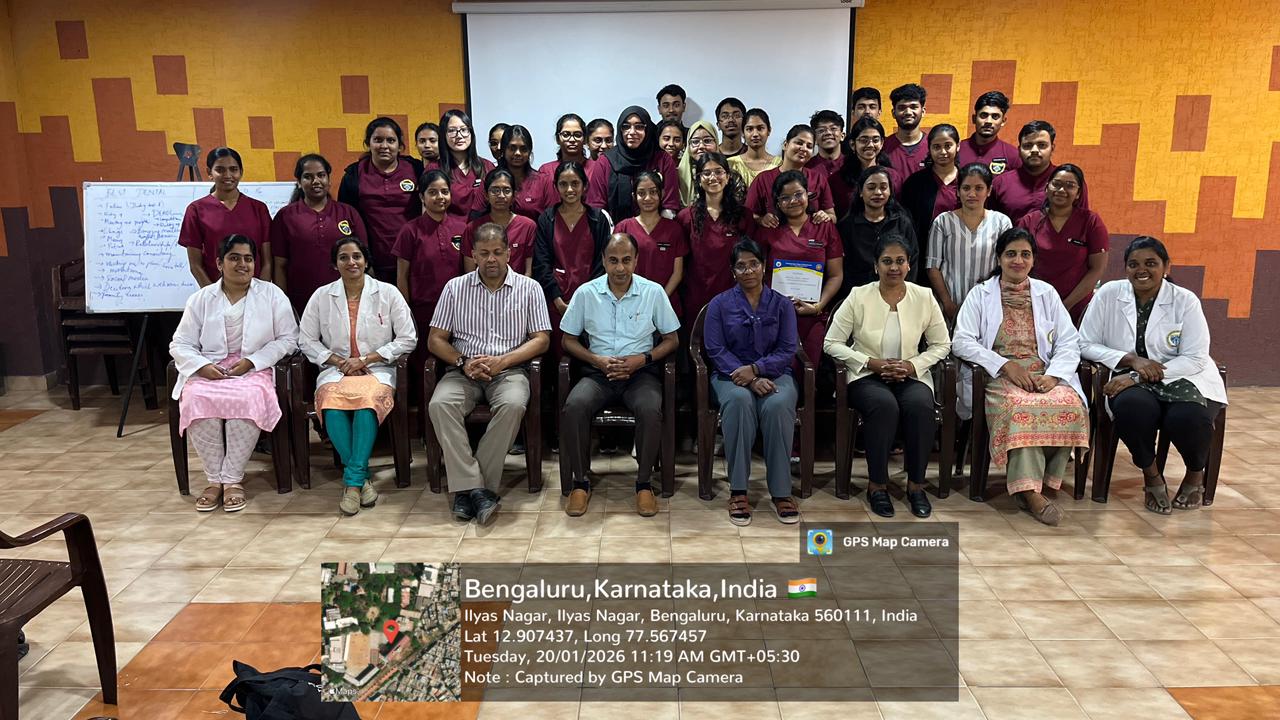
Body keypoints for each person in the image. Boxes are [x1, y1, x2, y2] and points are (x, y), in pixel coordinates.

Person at [1079, 236, 1228, 514]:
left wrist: (1138, 377)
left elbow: (1195, 357)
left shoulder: (1184, 301)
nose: (1141, 270)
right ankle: (1151, 476)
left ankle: (1195, 474)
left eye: (1151, 263)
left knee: (1190, 418)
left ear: (1166, 267)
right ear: (1125, 268)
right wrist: (1131, 361)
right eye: (1133, 264)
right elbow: (1084, 343)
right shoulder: (1110, 294)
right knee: (1132, 409)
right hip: (1128, 373)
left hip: (1183, 377)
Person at [951, 228, 1089, 526]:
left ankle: (1045, 482)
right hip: (999, 375)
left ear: (1033, 260)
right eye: (1011, 254)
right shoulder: (981, 294)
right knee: (1022, 409)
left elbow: (1068, 341)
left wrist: (1053, 376)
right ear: (999, 258)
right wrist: (1004, 365)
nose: (1018, 260)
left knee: (1068, 403)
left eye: (1025, 254)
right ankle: (1029, 492)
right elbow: (962, 341)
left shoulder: (1046, 293)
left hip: (1042, 373)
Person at [428, 223, 552, 524]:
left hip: (509, 371)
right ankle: (477, 488)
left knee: (512, 405)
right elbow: (435, 339)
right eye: (484, 253)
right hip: (464, 371)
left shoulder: (529, 288)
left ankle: (469, 487)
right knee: (439, 404)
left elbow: (542, 339)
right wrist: (463, 362)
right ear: (473, 255)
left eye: (498, 252)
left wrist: (504, 361)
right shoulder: (455, 288)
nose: (491, 259)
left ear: (510, 252)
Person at [824, 234, 950, 518]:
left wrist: (912, 366)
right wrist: (871, 362)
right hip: (866, 375)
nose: (894, 267)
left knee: (920, 407)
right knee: (884, 406)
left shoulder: (924, 297)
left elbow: (942, 344)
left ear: (908, 266)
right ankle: (877, 486)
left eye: (900, 261)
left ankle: (916, 486)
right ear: (875, 265)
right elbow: (831, 342)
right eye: (887, 261)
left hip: (911, 375)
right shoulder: (859, 296)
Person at [170, 234, 298, 512]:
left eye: (248, 258)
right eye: (234, 258)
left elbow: (289, 338)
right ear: (219, 263)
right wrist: (202, 367)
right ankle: (214, 480)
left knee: (249, 397)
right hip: (209, 368)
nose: (243, 264)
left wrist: (252, 362)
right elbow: (180, 343)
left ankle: (232, 480)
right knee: (196, 398)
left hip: (253, 369)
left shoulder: (272, 294)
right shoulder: (201, 298)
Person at [559, 233, 680, 516]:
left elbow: (672, 340)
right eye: (613, 261)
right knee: (574, 406)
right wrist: (596, 360)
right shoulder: (587, 293)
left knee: (651, 409)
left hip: (640, 374)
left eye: (626, 260)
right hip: (598, 374)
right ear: (603, 261)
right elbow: (568, 340)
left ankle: (643, 484)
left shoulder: (653, 292)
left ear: (636, 261)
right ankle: (580, 482)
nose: (620, 268)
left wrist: (643, 359)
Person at [299, 237, 417, 516]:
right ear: (334, 264)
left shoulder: (387, 293)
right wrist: (339, 361)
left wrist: (368, 359)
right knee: (331, 404)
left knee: (367, 403)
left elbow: (407, 338)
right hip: (336, 370)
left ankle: (352, 482)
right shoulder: (321, 296)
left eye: (356, 257)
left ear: (366, 261)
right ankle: (360, 479)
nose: (351, 262)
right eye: (343, 257)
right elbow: (305, 340)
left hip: (376, 370)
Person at [704, 238, 801, 526]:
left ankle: (782, 492)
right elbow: (715, 349)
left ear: (764, 266)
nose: (748, 271)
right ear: (733, 271)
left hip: (775, 375)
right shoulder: (719, 305)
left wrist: (757, 370)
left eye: (754, 264)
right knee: (739, 402)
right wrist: (746, 377)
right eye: (741, 266)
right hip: (729, 376)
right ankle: (738, 490)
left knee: (778, 405)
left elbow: (787, 349)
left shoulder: (782, 304)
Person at [755, 170, 844, 366]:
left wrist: (818, 306)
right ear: (777, 203)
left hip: (812, 315)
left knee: (809, 371)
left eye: (798, 194)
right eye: (785, 198)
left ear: (808, 195)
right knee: (777, 370)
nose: (793, 201)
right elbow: (756, 274)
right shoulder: (769, 229)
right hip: (774, 315)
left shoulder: (824, 226)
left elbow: (836, 275)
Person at [271, 154, 368, 315]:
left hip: (345, 298)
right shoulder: (285, 216)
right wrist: (284, 303)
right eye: (308, 177)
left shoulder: (348, 213)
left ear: (329, 180)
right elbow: (280, 265)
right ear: (299, 183)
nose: (316, 181)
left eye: (321, 175)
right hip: (301, 301)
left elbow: (364, 260)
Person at [1016, 163, 1108, 322]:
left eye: (1070, 185)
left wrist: (1066, 304)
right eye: (1056, 184)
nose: (1061, 190)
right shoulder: (1029, 222)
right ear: (1046, 188)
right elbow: (1018, 265)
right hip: (1034, 305)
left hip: (1077, 307)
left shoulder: (1091, 222)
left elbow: (1097, 268)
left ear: (1078, 193)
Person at [338, 117, 425, 280]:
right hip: (373, 265)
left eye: (391, 140)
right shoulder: (353, 175)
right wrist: (362, 262)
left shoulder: (416, 169)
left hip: (414, 260)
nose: (384, 146)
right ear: (368, 143)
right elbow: (346, 222)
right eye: (378, 140)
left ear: (400, 146)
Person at [926, 163, 1013, 325]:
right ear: (958, 191)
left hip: (989, 304)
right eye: (966, 188)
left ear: (989, 191)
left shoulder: (1002, 222)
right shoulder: (943, 221)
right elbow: (933, 267)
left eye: (979, 188)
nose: (972, 194)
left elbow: (1007, 266)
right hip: (950, 304)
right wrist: (948, 304)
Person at [533, 161, 614, 329]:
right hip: (555, 302)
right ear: (555, 186)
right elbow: (541, 264)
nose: (569, 189)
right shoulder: (547, 219)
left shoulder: (598, 219)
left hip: (593, 301)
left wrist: (585, 298)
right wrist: (557, 301)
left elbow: (602, 264)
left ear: (585, 186)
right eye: (563, 184)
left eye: (575, 183)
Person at [393, 168, 466, 344]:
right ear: (421, 197)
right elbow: (402, 275)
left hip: (458, 309)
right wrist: (406, 310)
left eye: (444, 191)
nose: (440, 197)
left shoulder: (462, 228)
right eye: (433, 192)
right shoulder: (410, 230)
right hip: (423, 311)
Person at [179, 147, 272, 286]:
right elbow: (195, 265)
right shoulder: (196, 210)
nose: (227, 175)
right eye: (220, 170)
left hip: (255, 294)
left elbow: (267, 262)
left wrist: (260, 294)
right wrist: (214, 297)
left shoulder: (259, 209)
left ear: (241, 172)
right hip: (216, 294)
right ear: (209, 172)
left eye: (233, 169)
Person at [678, 152, 754, 318]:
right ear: (698, 179)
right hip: (695, 296)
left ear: (727, 177)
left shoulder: (744, 216)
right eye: (706, 173)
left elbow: (751, 259)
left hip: (734, 296)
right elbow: (680, 264)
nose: (713, 177)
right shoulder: (685, 217)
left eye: (719, 172)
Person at [612, 171, 687, 316]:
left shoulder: (674, 229)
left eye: (653, 192)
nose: (647, 198)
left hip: (666, 304)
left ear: (662, 194)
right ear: (634, 196)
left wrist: (659, 300)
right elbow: (615, 269)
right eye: (641, 193)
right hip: (630, 305)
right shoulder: (623, 228)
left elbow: (677, 273)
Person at [836, 166, 917, 298]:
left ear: (890, 191)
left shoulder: (902, 222)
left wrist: (902, 293)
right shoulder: (846, 226)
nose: (878, 192)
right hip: (858, 296)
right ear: (861, 192)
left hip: (898, 294)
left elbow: (912, 260)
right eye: (871, 187)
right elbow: (844, 269)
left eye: (883, 187)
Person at [586, 106, 680, 219]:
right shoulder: (606, 161)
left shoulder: (663, 160)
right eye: (626, 127)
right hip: (615, 232)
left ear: (648, 129)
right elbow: (596, 206)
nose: (632, 132)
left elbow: (669, 205)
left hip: (656, 230)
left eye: (639, 127)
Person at [991, 120, 1089, 224]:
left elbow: (1082, 224)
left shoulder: (1071, 182)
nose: (1034, 150)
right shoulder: (1000, 183)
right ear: (1019, 150)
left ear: (1052, 148)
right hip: (1012, 239)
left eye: (1042, 145)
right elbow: (992, 227)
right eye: (1028, 145)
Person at [745, 125, 835, 228]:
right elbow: (748, 216)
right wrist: (762, 219)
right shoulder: (763, 179)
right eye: (799, 143)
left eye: (809, 146)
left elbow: (832, 216)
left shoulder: (818, 179)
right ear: (785, 145)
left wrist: (825, 216)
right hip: (773, 239)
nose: (803, 149)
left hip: (811, 240)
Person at [899, 124, 962, 264]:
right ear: (929, 148)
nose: (943, 152)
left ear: (958, 146)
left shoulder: (967, 181)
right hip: (923, 255)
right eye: (936, 147)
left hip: (960, 253)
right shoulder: (914, 183)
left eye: (948, 145)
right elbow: (906, 223)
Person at [462, 169, 537, 276]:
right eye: (495, 190)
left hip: (519, 290)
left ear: (514, 195)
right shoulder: (473, 228)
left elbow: (528, 271)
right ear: (486, 195)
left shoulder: (528, 226)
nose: (501, 196)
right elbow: (470, 272)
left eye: (506, 190)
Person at [831, 116, 899, 218]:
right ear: (852, 144)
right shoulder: (838, 179)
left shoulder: (894, 177)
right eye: (864, 140)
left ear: (882, 143)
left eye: (875, 140)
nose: (870, 145)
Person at [438, 109, 494, 220]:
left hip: (483, 232)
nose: (459, 136)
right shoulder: (435, 169)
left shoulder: (487, 167)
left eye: (464, 130)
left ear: (471, 133)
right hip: (449, 233)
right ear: (443, 135)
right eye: (452, 130)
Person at [497, 124, 556, 221]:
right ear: (503, 149)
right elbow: (478, 217)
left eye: (523, 149)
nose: (518, 153)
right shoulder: (491, 181)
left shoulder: (544, 181)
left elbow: (551, 221)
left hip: (536, 235)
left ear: (529, 152)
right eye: (512, 148)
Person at [957, 91, 1021, 176]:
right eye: (984, 115)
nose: (988, 121)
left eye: (995, 116)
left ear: (1003, 121)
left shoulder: (1013, 155)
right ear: (974, 118)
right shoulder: (956, 151)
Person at [727, 108, 782, 189]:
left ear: (769, 130)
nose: (755, 134)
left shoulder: (779, 164)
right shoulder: (731, 164)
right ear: (742, 132)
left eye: (760, 128)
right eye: (749, 129)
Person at [882, 84, 929, 176]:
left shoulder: (933, 147)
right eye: (902, 108)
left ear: (923, 112)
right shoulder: (883, 147)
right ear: (893, 113)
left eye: (913, 107)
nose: (908, 112)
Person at [676, 119, 722, 206]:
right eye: (695, 142)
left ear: (716, 143)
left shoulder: (727, 172)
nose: (701, 146)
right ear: (688, 146)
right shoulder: (677, 175)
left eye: (707, 141)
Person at [806, 109, 846, 178]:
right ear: (814, 139)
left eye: (833, 129)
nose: (828, 133)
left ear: (842, 136)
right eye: (821, 130)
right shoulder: (806, 168)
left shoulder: (853, 165)